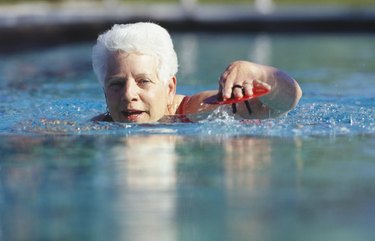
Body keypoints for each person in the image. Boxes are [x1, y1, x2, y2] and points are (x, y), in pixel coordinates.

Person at [91, 22, 302, 123]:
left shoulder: (197, 110)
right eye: (116, 84)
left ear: (170, 87)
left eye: (143, 81)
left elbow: (288, 99)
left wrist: (257, 72)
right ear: (104, 90)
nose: (129, 95)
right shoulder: (101, 124)